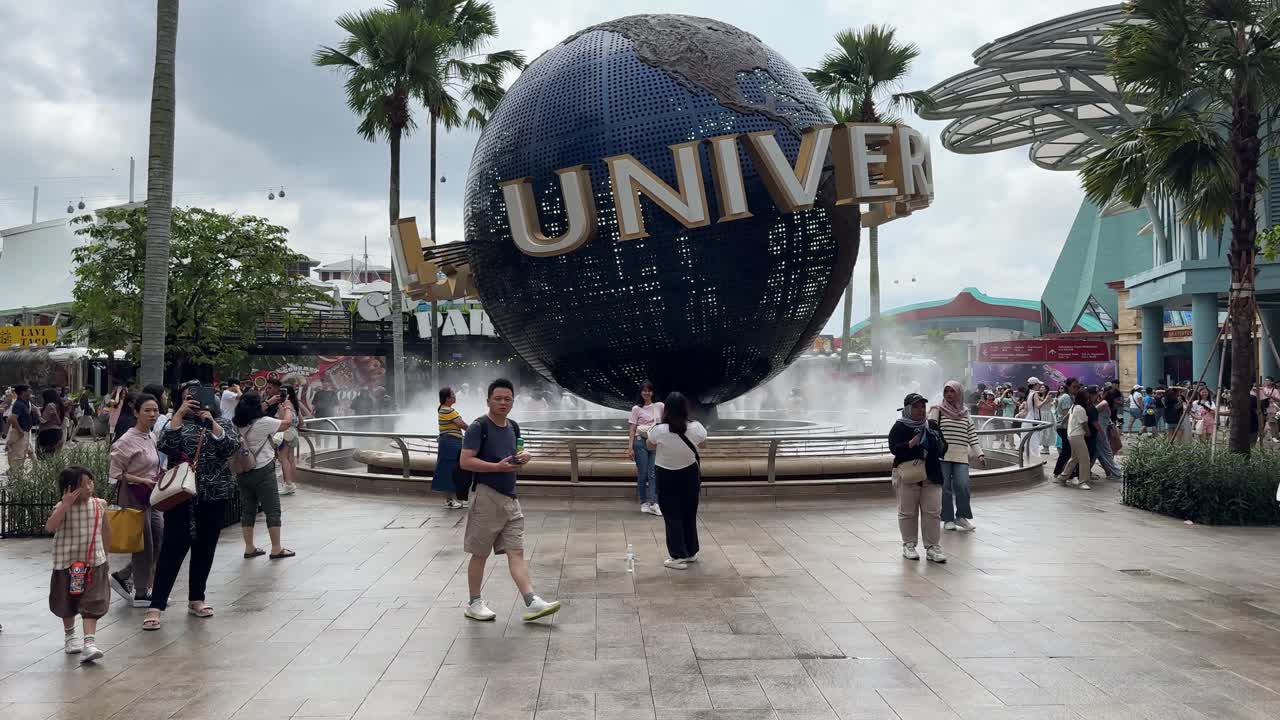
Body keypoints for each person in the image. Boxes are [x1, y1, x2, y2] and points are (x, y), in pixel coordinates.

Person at [459, 378, 560, 623]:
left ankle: (531, 601)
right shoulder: (478, 427)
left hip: (510, 498)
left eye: (507, 399)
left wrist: (523, 458)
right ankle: (474, 602)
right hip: (486, 496)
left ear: (513, 402)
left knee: (517, 551)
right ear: (488, 401)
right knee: (480, 553)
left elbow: (513, 457)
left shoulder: (513, 427)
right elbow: (465, 461)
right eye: (498, 399)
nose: (503, 403)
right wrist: (497, 467)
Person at [142, 381, 239, 630]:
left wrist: (212, 422)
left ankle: (197, 598)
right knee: (172, 549)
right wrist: (179, 415)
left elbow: (230, 448)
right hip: (181, 495)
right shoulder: (174, 422)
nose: (194, 401)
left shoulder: (222, 423)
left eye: (198, 396)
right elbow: (166, 447)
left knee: (205, 549)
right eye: (188, 397)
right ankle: (156, 605)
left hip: (214, 494)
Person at [46, 465, 110, 663]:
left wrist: (106, 556)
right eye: (83, 485)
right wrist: (64, 505)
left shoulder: (100, 504)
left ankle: (89, 643)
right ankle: (70, 635)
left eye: (90, 482)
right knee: (66, 600)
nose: (89, 487)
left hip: (93, 562)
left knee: (93, 600)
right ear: (70, 488)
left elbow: (105, 532)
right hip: (67, 563)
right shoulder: (62, 507)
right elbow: (50, 527)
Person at [108, 393, 166, 608]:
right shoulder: (126, 440)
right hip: (134, 495)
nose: (152, 414)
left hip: (152, 495)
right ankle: (141, 592)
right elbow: (115, 473)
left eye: (155, 410)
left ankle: (124, 576)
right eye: (147, 410)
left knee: (159, 538)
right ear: (136, 413)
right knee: (144, 544)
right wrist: (141, 480)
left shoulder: (151, 436)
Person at [645, 392, 707, 569]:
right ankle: (691, 552)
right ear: (685, 408)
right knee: (689, 512)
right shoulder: (696, 427)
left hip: (666, 475)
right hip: (689, 474)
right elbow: (703, 445)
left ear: (667, 410)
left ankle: (678, 556)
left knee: (672, 515)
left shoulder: (659, 430)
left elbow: (650, 445)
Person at [232, 391, 296, 559]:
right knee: (272, 509)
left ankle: (249, 548)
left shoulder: (235, 423)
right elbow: (287, 423)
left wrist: (269, 402)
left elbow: (251, 409)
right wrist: (288, 408)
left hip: (243, 471)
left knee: (248, 510)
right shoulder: (264, 422)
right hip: (263, 470)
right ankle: (276, 548)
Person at [889, 393, 947, 563]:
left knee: (933, 512)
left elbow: (944, 448)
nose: (920, 410)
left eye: (922, 406)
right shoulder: (900, 426)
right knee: (907, 511)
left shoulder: (932, 425)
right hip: (909, 475)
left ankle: (932, 547)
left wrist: (936, 442)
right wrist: (910, 444)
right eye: (915, 406)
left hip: (931, 474)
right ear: (907, 408)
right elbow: (894, 448)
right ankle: (909, 545)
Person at [931, 381, 984, 533]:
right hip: (943, 456)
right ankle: (947, 518)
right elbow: (931, 430)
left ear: (959, 393)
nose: (949, 394)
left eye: (952, 391)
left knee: (963, 485)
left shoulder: (965, 413)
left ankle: (961, 516)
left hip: (961, 456)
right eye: (946, 391)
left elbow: (972, 435)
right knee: (945, 488)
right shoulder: (937, 410)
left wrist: (980, 453)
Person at [627, 380, 664, 516]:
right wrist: (630, 448)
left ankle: (654, 503)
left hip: (654, 442)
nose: (646, 393)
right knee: (642, 474)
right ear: (641, 392)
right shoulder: (636, 409)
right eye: (644, 390)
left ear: (652, 392)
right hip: (640, 442)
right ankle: (643, 503)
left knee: (653, 473)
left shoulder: (660, 406)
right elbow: (632, 429)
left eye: (649, 390)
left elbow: (665, 423)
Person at [434, 387, 470, 510]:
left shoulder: (443, 409)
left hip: (450, 442)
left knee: (453, 470)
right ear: (447, 398)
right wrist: (475, 431)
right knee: (449, 470)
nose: (455, 396)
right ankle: (449, 500)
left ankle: (456, 498)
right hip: (450, 443)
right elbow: (462, 424)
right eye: (453, 394)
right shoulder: (448, 410)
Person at [265, 379, 302, 495]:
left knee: (283, 458)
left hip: (285, 433)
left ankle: (288, 484)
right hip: (294, 433)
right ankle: (291, 483)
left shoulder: (284, 405)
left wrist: (282, 407)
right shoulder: (295, 405)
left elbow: (282, 420)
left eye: (283, 392)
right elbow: (301, 422)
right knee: (291, 458)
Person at [1054, 388, 1093, 489]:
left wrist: (1061, 424)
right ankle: (1083, 481)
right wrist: (1088, 433)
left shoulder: (1074, 406)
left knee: (1074, 458)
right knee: (1085, 458)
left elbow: (1066, 417)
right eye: (1087, 397)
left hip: (1072, 435)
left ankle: (1063, 477)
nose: (1088, 399)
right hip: (1077, 436)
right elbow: (1084, 424)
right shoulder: (1080, 409)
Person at [1051, 378, 1081, 478]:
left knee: (1067, 451)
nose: (1076, 389)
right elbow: (1066, 414)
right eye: (1074, 387)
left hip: (1064, 426)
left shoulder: (1068, 397)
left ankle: (1063, 472)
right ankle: (1059, 471)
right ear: (1068, 386)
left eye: (1078, 387)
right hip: (1064, 427)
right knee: (1067, 451)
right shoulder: (1067, 397)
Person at [1094, 388, 1123, 480]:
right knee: (1107, 452)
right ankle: (1117, 473)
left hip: (1102, 430)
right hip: (1100, 431)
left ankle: (1111, 472)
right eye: (1117, 398)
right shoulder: (1104, 404)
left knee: (1097, 453)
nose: (1119, 400)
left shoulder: (1106, 404)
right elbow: (1092, 412)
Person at [5, 384, 35, 465]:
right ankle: (15, 472)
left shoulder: (25, 403)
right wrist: (20, 430)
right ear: (23, 392)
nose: (30, 392)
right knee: (17, 457)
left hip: (25, 432)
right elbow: (12, 418)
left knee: (22, 456)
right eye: (28, 391)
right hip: (20, 433)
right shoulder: (19, 404)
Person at [33, 388, 65, 457]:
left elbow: (43, 420)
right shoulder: (58, 405)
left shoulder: (50, 405)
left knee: (46, 457)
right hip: (57, 432)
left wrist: (37, 412)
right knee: (55, 456)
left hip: (48, 433)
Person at [1025, 378, 1051, 454]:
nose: (1039, 386)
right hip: (1034, 418)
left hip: (1029, 417)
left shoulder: (1029, 393)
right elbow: (1038, 406)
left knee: (1031, 438)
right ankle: (1034, 456)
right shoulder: (1035, 393)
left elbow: (1027, 408)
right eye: (1038, 384)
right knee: (1034, 438)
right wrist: (1046, 400)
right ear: (1035, 385)